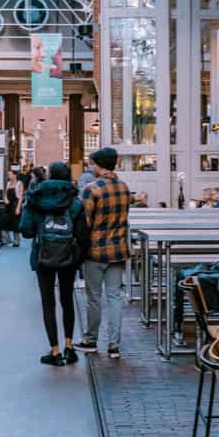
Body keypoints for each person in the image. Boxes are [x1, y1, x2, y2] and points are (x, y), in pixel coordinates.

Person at [20, 162, 89, 366]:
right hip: (68, 258)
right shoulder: (75, 202)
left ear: (49, 175)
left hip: (44, 256)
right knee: (67, 300)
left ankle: (55, 351)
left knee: (48, 303)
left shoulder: (36, 199)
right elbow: (83, 236)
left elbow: (26, 230)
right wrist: (78, 257)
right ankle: (69, 347)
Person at [75, 147, 131, 358]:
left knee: (94, 298)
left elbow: (85, 222)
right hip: (118, 250)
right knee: (114, 297)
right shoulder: (124, 188)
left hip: (96, 250)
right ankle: (114, 345)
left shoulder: (92, 188)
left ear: (98, 165)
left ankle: (91, 340)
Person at [1, 169, 24, 247]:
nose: (9, 176)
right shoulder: (8, 184)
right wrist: (5, 198)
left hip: (15, 205)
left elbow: (20, 197)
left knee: (16, 224)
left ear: (15, 175)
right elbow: (5, 193)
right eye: (8, 174)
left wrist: (18, 208)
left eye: (10, 174)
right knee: (4, 223)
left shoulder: (19, 183)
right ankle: (7, 240)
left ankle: (16, 241)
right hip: (8, 206)